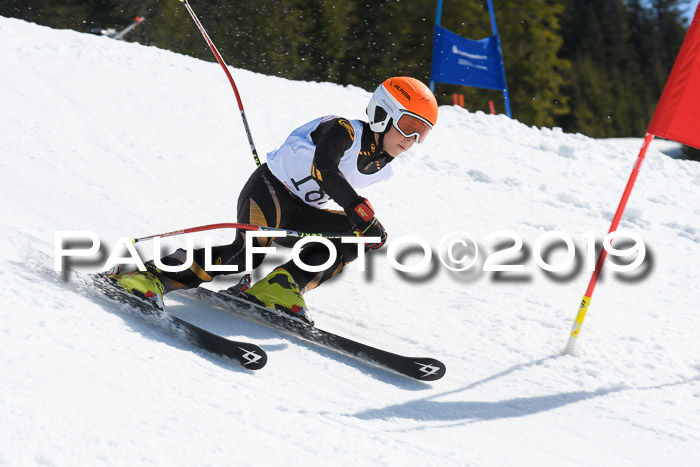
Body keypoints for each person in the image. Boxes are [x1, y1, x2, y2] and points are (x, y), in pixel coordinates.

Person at [109, 76, 438, 325]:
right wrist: (358, 209)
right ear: (383, 113)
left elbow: (343, 202)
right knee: (243, 256)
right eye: (408, 126)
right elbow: (323, 169)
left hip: (302, 214)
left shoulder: (381, 166)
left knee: (360, 236)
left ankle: (281, 286)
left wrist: (367, 225)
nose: (411, 140)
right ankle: (145, 275)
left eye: (421, 133)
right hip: (269, 193)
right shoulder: (344, 130)